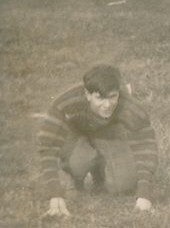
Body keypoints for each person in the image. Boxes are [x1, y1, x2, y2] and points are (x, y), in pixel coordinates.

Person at [36, 65, 158, 217]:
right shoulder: (64, 103)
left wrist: (144, 195)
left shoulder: (131, 108)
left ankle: (100, 169)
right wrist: (55, 194)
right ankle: (75, 172)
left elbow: (145, 148)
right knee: (79, 162)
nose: (107, 105)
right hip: (76, 136)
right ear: (87, 94)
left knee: (124, 184)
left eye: (112, 96)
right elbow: (48, 146)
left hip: (107, 137)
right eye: (99, 98)